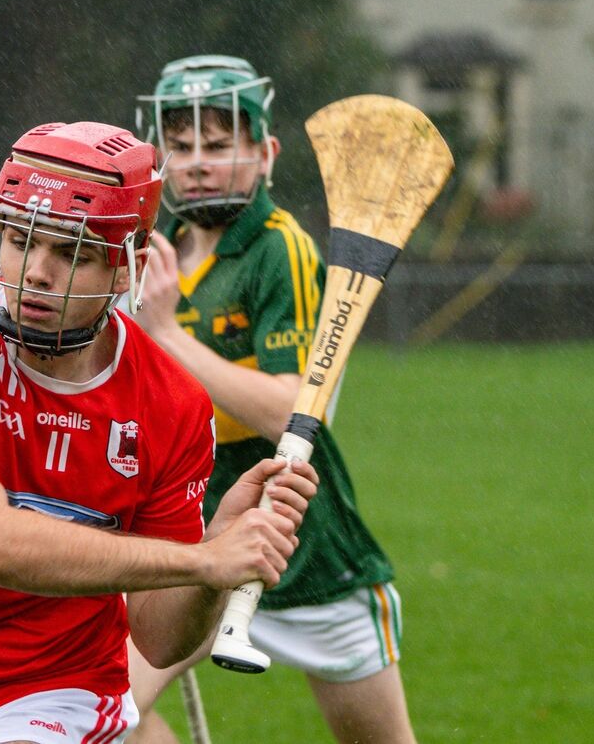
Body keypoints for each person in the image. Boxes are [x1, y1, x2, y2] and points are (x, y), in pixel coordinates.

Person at [0, 121, 319, 743]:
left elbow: (158, 639)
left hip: (64, 693)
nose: (36, 273)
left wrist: (212, 569)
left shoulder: (173, 404)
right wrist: (199, 558)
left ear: (128, 268)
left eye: (71, 252)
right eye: (20, 240)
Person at [127, 56, 417, 744]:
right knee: (102, 716)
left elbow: (292, 408)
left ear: (265, 152)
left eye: (219, 144)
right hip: (197, 536)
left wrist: (165, 332)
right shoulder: (159, 250)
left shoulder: (279, 249)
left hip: (304, 538)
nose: (197, 163)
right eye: (183, 144)